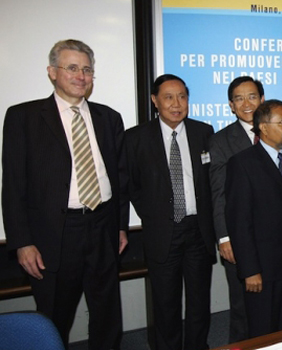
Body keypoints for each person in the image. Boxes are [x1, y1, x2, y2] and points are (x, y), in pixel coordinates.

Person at [2, 39, 129, 349]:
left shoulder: (108, 117)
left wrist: (121, 226)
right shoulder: (24, 117)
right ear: (52, 72)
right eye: (72, 68)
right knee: (54, 317)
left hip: (103, 227)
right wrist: (22, 242)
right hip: (54, 235)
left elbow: (120, 178)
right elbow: (14, 184)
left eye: (87, 69)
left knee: (107, 315)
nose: (81, 76)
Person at [125, 74, 216, 350]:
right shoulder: (136, 138)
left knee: (200, 302)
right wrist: (154, 215)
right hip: (163, 233)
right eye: (168, 97)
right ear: (155, 101)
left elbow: (210, 180)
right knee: (165, 305)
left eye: (182, 97)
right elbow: (132, 185)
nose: (176, 104)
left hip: (198, 232)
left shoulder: (204, 132)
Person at [225, 99, 282, 338]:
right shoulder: (242, 164)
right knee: (263, 333)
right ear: (263, 127)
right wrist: (249, 270)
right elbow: (239, 222)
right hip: (262, 269)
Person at [208, 76, 264, 342]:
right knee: (242, 307)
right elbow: (218, 193)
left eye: (252, 96)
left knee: (272, 306)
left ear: (262, 100)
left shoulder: (277, 132)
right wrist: (225, 237)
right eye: (239, 98)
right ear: (231, 105)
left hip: (273, 238)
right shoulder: (220, 141)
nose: (247, 103)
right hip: (239, 237)